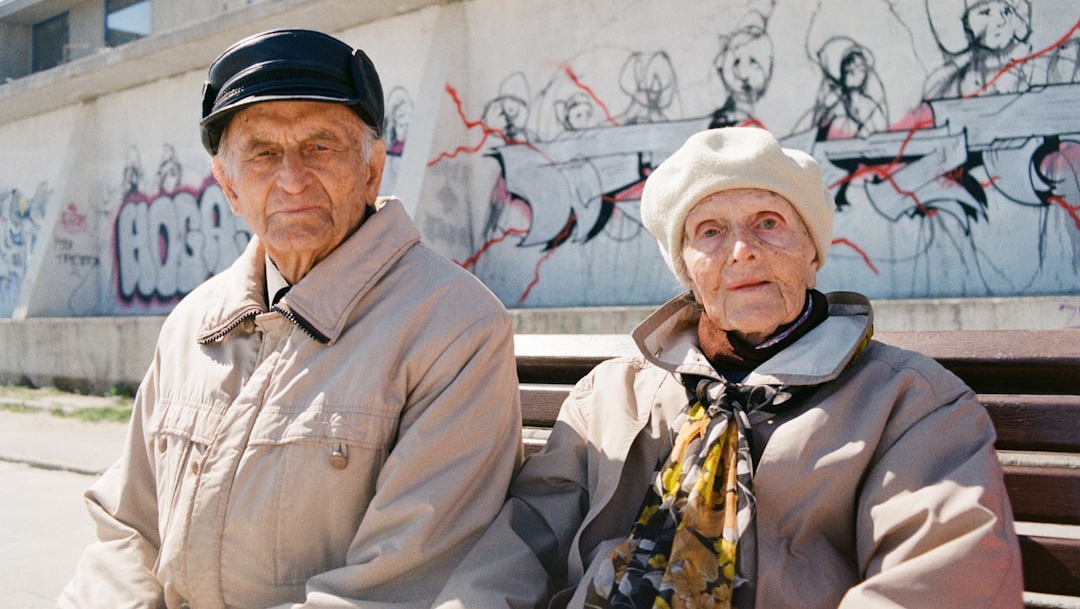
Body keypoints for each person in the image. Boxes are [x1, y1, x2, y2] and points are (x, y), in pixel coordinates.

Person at [436, 126, 1023, 608]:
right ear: (687, 269)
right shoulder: (608, 397)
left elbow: (941, 582)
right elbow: (519, 548)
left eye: (769, 222)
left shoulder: (910, 404)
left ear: (812, 251)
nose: (742, 250)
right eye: (710, 231)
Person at [61, 29, 522, 608]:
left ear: (371, 169)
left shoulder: (454, 326)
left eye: (319, 147)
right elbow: (129, 528)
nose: (292, 179)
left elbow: (402, 582)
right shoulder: (192, 324)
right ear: (228, 186)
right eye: (262, 153)